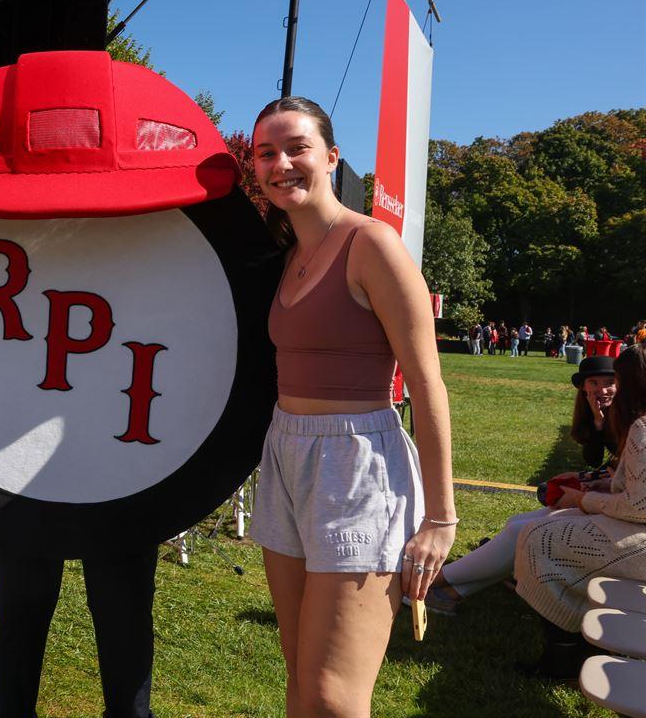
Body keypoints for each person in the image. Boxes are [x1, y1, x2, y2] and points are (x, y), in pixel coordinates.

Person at [247, 97, 455, 716]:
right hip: (285, 455)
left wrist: (440, 518)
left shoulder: (372, 245)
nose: (280, 163)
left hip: (358, 462)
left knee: (334, 697)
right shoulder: (286, 258)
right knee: (301, 681)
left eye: (296, 148)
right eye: (265, 153)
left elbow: (427, 384)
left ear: (332, 157)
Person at [414, 356, 618, 615]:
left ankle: (427, 583)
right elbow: (594, 459)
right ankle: (447, 592)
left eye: (609, 383)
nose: (602, 389)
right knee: (516, 524)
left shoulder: (632, 417)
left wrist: (583, 492)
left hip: (612, 512)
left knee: (520, 532)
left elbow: (623, 477)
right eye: (595, 383)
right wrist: (598, 425)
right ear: (584, 387)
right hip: (604, 503)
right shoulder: (597, 413)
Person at [514, 344, 646, 678]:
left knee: (538, 540)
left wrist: (582, 500)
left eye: (615, 378)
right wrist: (603, 487)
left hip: (640, 538)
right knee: (548, 526)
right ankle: (583, 640)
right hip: (635, 529)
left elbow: (639, 506)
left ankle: (565, 653)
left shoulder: (642, 428)